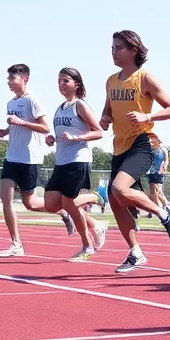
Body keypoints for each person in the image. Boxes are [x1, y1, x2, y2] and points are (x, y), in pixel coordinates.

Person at [100, 30, 170, 273]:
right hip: (119, 146)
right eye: (112, 48)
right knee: (115, 201)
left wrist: (147, 115)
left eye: (118, 48)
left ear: (134, 50)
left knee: (118, 188)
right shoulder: (111, 80)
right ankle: (135, 252)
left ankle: (162, 212)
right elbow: (108, 110)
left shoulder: (145, 79)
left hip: (142, 142)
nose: (113, 52)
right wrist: (104, 119)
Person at [43, 67, 109, 261]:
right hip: (61, 161)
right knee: (51, 203)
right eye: (59, 81)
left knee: (69, 203)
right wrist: (52, 140)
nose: (61, 84)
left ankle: (87, 246)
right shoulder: (60, 107)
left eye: (65, 81)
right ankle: (96, 223)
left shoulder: (80, 105)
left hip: (78, 160)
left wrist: (76, 137)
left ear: (76, 84)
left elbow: (98, 131)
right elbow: (62, 134)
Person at [0, 64, 52, 257]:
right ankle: (16, 244)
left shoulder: (32, 101)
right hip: (11, 157)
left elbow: (45, 128)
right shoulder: (10, 103)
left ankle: (62, 210)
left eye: (13, 78)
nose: (9, 82)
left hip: (29, 158)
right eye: (8, 78)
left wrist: (21, 123)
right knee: (6, 199)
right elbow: (15, 125)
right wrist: (6, 131)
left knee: (30, 204)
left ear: (24, 79)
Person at [146, 134, 169, 215]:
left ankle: (165, 205)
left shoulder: (162, 149)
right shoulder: (151, 149)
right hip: (151, 172)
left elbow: (166, 160)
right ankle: (152, 210)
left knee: (158, 191)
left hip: (158, 172)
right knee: (152, 192)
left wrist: (164, 167)